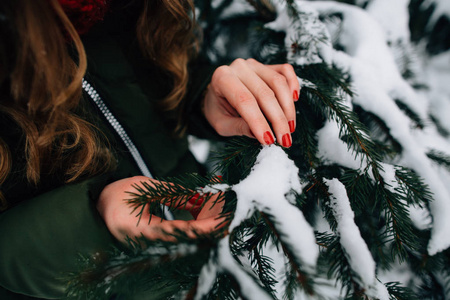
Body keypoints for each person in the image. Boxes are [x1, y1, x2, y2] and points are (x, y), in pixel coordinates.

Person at [0, 0, 299, 298]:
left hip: (203, 254)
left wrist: (202, 95)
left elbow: (145, 79)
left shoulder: (122, 10)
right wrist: (91, 219)